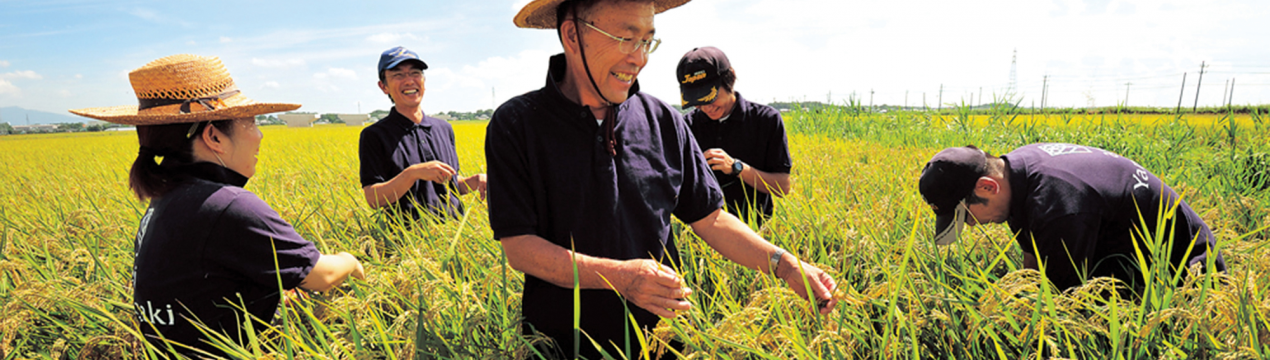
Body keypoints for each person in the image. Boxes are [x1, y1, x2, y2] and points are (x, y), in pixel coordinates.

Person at [487, 0, 838, 358]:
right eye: (625, 38)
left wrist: (785, 264)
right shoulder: (518, 124)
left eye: (647, 41)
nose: (639, 58)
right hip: (563, 344)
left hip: (662, 340)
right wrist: (621, 278)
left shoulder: (663, 121)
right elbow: (520, 248)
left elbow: (711, 218)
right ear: (572, 35)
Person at [69, 54, 366, 357]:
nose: (260, 135)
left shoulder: (168, 199)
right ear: (213, 136)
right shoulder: (228, 205)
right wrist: (350, 260)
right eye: (251, 122)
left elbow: (196, 291)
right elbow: (323, 276)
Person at [918, 143, 1227, 291]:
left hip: (1187, 275)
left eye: (966, 216)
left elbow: (1062, 302)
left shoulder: (1059, 207)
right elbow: (1033, 262)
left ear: (987, 186)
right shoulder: (1017, 172)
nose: (972, 225)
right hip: (1123, 246)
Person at [359, 46, 486, 222]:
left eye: (415, 73)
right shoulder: (374, 135)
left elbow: (450, 185)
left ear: (424, 81)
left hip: (454, 236)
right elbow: (374, 199)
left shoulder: (443, 128)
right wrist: (412, 174)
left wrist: (474, 181)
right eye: (398, 75)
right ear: (383, 86)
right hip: (407, 241)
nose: (409, 81)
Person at [677, 46, 792, 226]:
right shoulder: (686, 126)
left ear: (730, 78)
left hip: (757, 228)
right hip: (703, 231)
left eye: (710, 97)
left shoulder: (766, 120)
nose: (707, 108)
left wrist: (735, 167)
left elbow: (782, 186)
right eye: (697, 102)